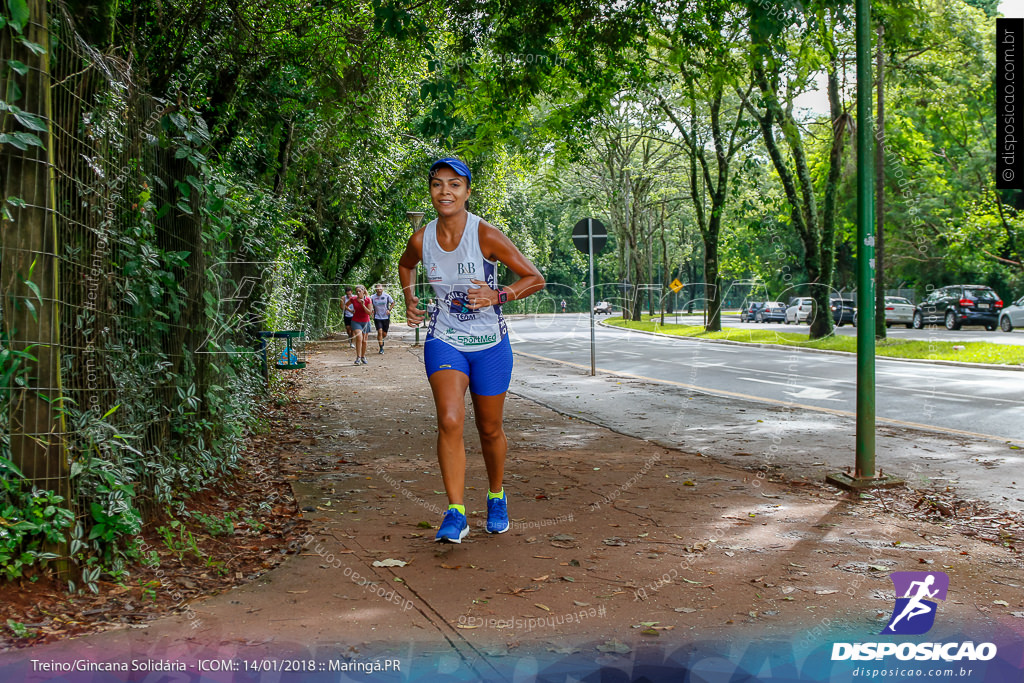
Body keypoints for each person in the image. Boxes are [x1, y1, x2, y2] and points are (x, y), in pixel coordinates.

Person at [398, 158, 544, 543]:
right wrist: (410, 301)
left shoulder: (486, 235)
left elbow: (535, 278)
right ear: (430, 190)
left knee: (490, 428)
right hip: (444, 338)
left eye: (455, 184)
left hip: (491, 344)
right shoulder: (421, 238)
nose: (445, 191)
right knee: (449, 419)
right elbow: (406, 265)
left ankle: (497, 496)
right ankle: (455, 511)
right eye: (437, 184)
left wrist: (499, 294)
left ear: (466, 191)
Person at [348, 285, 373, 365]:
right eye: (357, 291)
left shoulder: (368, 300)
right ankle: (358, 357)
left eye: (359, 291)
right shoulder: (353, 299)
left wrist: (363, 305)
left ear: (363, 291)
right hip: (356, 321)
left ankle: (363, 356)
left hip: (366, 321)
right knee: (359, 337)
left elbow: (369, 312)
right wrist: (351, 311)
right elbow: (345, 305)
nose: (358, 293)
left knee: (364, 340)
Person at [371, 283, 395, 354]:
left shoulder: (387, 296)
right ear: (375, 289)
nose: (379, 290)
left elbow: (393, 303)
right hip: (377, 317)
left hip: (385, 317)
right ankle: (381, 348)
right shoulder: (372, 297)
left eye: (380, 288)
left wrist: (389, 310)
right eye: (377, 288)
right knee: (380, 332)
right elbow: (369, 304)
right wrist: (372, 310)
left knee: (384, 334)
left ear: (382, 289)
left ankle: (381, 339)